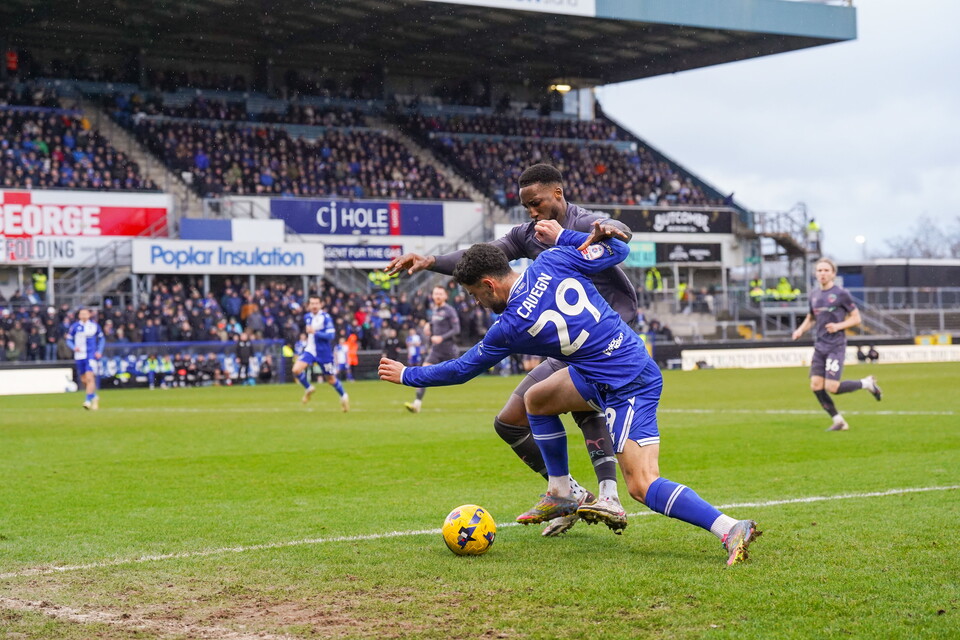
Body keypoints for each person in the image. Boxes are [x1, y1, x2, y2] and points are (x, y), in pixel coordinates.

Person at [379, 223, 761, 566]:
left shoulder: (510, 326)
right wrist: (566, 236)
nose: (477, 303)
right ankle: (561, 491)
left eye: (474, 295)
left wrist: (408, 374)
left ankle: (729, 527)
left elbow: (463, 369)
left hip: (628, 382)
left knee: (642, 485)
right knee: (537, 400)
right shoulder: (553, 259)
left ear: (489, 285)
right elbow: (618, 249)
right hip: (601, 369)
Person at [385, 163, 635, 537]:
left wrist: (608, 230)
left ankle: (606, 495)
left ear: (558, 194)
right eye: (526, 206)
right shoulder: (528, 235)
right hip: (563, 341)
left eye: (536, 203)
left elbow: (618, 232)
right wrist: (431, 262)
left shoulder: (582, 224)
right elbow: (484, 257)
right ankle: (569, 492)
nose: (532, 212)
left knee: (578, 405)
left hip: (607, 339)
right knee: (510, 421)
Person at [792, 258, 882, 431]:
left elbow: (856, 318)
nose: (822, 273)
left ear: (833, 273)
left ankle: (866, 383)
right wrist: (800, 330)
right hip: (820, 346)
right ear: (815, 274)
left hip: (835, 346)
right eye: (819, 270)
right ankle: (839, 421)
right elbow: (811, 317)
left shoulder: (841, 294)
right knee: (816, 385)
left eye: (826, 270)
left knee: (832, 387)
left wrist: (838, 326)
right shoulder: (814, 294)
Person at [403, 286, 459, 414]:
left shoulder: (450, 310)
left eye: (440, 294)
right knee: (423, 372)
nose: (437, 296)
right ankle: (417, 403)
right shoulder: (434, 310)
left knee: (459, 374)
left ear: (445, 296)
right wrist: (429, 326)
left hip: (448, 349)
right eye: (435, 294)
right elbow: (435, 328)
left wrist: (441, 337)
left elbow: (456, 329)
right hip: (436, 349)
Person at [292, 295, 349, 411]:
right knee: (296, 370)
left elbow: (331, 335)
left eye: (316, 303)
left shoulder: (325, 318)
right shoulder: (307, 317)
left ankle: (344, 396)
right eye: (312, 303)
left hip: (324, 353)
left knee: (331, 380)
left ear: (321, 304)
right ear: (309, 305)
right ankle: (308, 388)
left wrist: (315, 332)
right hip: (310, 350)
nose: (314, 306)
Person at [65, 307, 105, 410]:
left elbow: (102, 339)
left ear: (89, 315)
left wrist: (99, 351)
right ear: (79, 315)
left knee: (89, 378)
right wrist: (74, 347)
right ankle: (94, 397)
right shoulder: (75, 327)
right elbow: (68, 340)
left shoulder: (94, 326)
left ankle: (87, 401)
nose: (83, 315)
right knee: (84, 380)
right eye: (81, 313)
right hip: (79, 356)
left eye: (85, 313)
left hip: (90, 356)